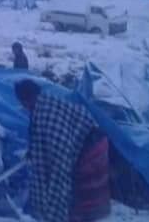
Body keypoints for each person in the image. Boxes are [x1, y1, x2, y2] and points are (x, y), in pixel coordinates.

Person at [15, 79, 111, 222]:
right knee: (81, 194)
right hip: (92, 144)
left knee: (76, 191)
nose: (23, 106)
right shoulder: (45, 103)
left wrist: (53, 197)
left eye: (22, 102)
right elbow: (43, 141)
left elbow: (59, 157)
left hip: (89, 149)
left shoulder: (45, 113)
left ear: (27, 99)